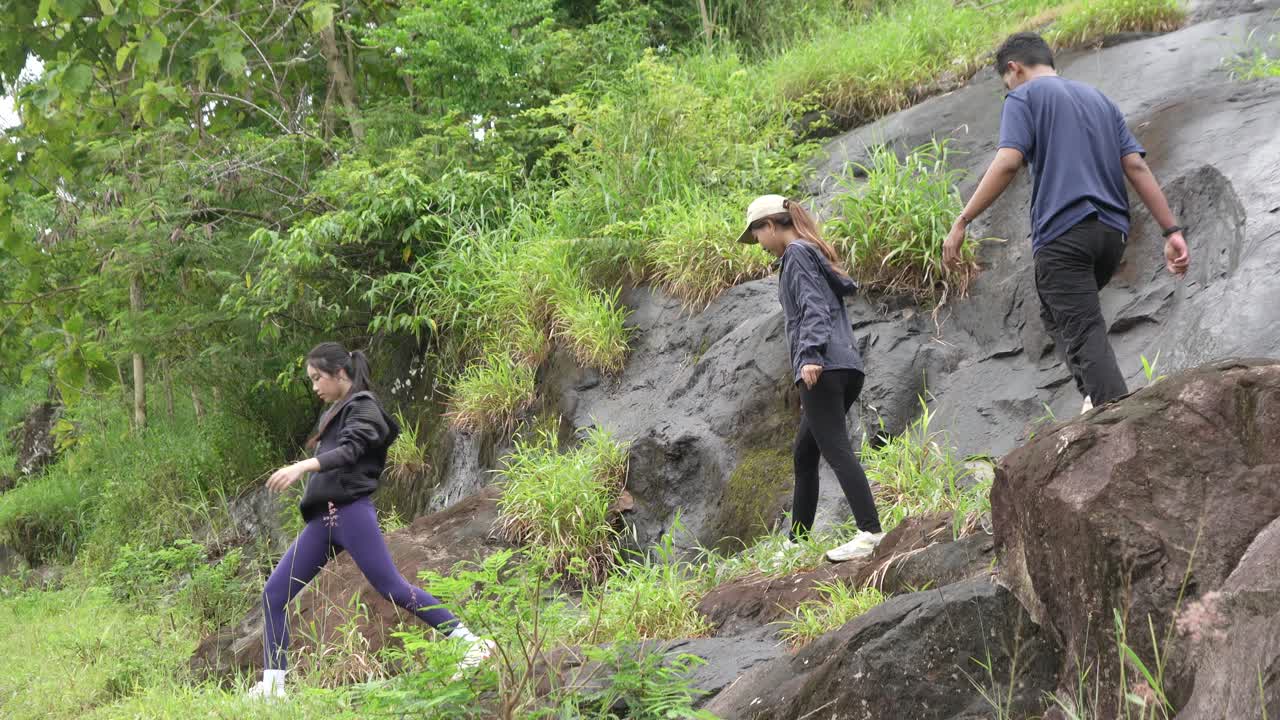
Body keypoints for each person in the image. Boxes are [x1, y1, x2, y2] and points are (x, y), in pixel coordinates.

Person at [943, 32, 1190, 412]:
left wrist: (963, 220)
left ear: (1014, 69)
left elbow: (1008, 162)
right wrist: (1171, 231)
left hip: (1064, 233)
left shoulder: (1023, 97)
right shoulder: (1100, 100)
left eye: (1006, 82)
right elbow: (1136, 166)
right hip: (1112, 235)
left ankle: (1116, 414)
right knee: (1056, 313)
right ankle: (1095, 395)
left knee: (1084, 327)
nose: (1008, 88)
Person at [249, 342, 492, 699]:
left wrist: (302, 466)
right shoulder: (336, 412)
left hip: (350, 514)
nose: (314, 386)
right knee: (274, 594)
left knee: (392, 587)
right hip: (323, 520)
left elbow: (351, 451)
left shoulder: (364, 406)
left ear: (339, 373)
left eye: (317, 377)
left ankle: (471, 643)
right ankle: (273, 688)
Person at [738, 195, 884, 563]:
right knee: (805, 454)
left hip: (824, 365)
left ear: (770, 225)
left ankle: (870, 532)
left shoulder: (797, 254)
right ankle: (797, 542)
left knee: (836, 449)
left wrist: (811, 356)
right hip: (844, 365)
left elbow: (813, 306)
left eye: (756, 234)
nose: (758, 244)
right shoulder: (810, 251)